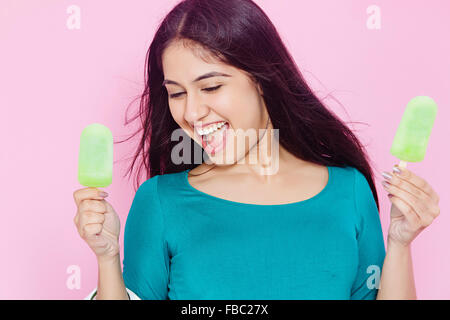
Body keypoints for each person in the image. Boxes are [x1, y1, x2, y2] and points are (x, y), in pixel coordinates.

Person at [73, 0, 440, 300]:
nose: (192, 112)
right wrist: (107, 258)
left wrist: (400, 242)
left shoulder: (349, 192)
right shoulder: (160, 202)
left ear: (263, 80)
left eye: (211, 87)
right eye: (177, 93)